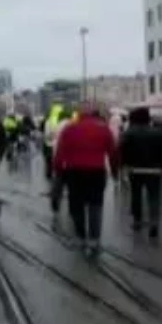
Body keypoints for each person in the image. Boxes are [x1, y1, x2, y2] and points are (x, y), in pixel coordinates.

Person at [53, 103, 118, 255]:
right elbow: (113, 152)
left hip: (74, 172)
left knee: (77, 205)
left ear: (79, 113)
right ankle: (94, 240)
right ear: (94, 112)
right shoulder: (103, 128)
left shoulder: (69, 129)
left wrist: (58, 171)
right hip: (96, 172)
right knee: (96, 205)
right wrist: (115, 171)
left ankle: (80, 237)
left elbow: (60, 153)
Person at [119, 107, 162, 239]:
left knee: (136, 195)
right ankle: (154, 222)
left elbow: (121, 150)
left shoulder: (129, 133)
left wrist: (124, 165)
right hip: (154, 170)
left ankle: (137, 221)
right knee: (154, 197)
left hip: (135, 169)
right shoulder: (157, 133)